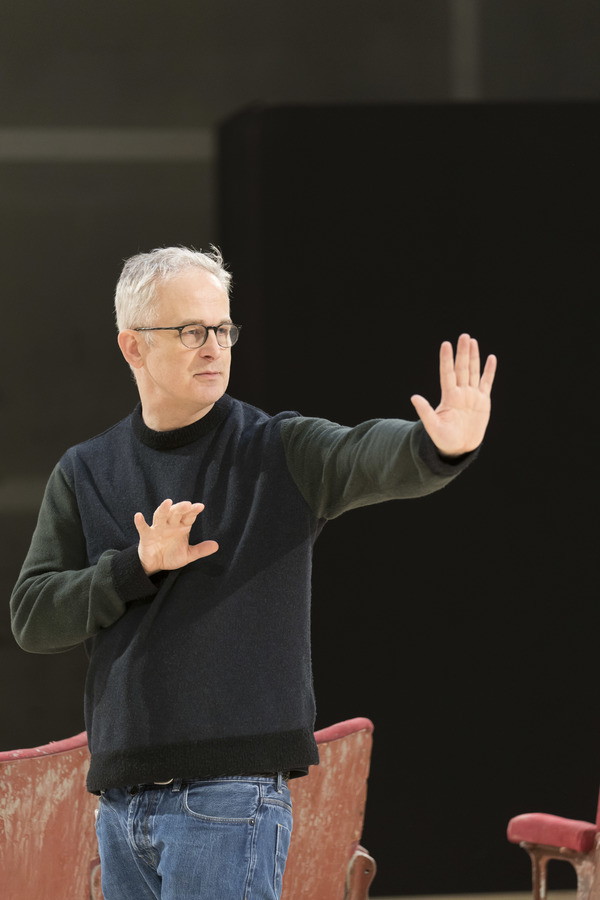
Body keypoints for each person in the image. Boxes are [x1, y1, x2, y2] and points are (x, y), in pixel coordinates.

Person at [10, 246, 497, 900]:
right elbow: (33, 618)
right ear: (132, 346)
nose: (213, 346)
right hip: (122, 805)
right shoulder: (86, 471)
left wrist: (439, 445)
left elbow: (365, 454)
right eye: (190, 331)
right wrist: (134, 568)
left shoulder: (278, 450)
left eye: (222, 328)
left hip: (230, 798)